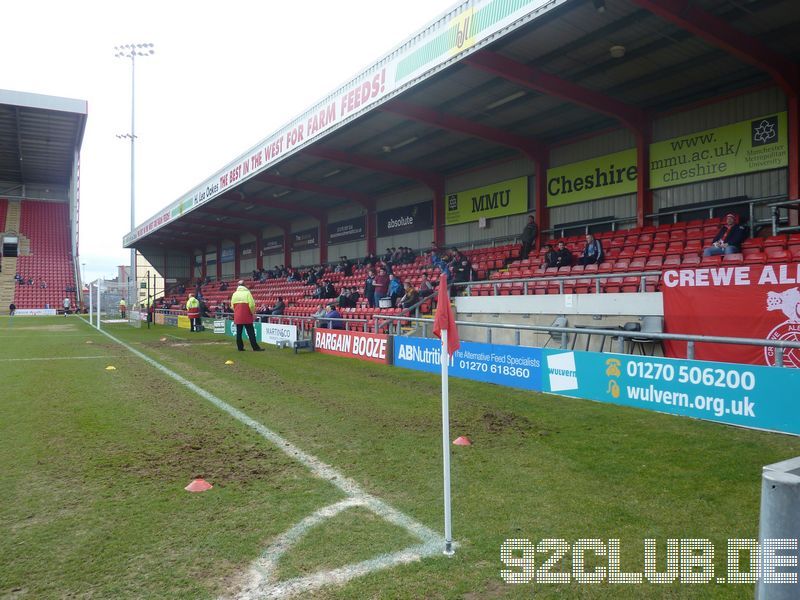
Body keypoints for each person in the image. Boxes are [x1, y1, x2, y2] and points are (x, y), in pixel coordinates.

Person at [230, 280, 264, 351]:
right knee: (251, 332)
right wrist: (252, 313)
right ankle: (255, 347)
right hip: (246, 315)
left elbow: (232, 306)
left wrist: (236, 311)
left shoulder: (234, 294)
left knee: (238, 333)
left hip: (238, 316)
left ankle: (240, 347)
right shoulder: (247, 293)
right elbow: (252, 305)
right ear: (244, 285)